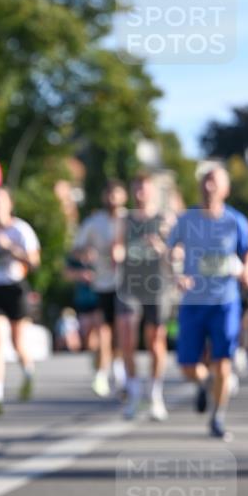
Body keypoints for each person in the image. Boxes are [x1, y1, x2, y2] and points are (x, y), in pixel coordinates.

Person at [167, 162, 248, 439]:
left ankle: (218, 418)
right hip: (193, 301)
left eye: (214, 181)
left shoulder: (235, 221)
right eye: (204, 181)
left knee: (223, 361)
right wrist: (177, 274)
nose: (208, 187)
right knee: (186, 366)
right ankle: (206, 383)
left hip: (224, 301)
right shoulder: (186, 220)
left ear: (226, 189)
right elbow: (170, 252)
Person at [113, 172, 173, 421]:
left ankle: (155, 393)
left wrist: (161, 248)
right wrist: (118, 253)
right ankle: (134, 392)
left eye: (144, 188)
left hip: (157, 286)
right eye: (136, 188)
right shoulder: (124, 219)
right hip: (130, 285)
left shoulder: (164, 219)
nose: (140, 193)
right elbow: (115, 247)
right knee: (126, 335)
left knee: (156, 340)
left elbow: (177, 253)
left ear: (152, 191)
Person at [0, 186, 40, 414]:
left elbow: (34, 262)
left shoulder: (21, 230)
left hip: (14, 288)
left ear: (9, 205)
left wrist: (11, 249)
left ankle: (28, 372)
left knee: (18, 343)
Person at [71, 179, 128, 398]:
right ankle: (103, 373)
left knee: (122, 331)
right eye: (109, 194)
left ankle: (120, 374)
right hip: (102, 283)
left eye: (117, 193)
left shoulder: (130, 220)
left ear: (124, 196)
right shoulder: (94, 222)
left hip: (126, 284)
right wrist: (85, 254)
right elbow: (76, 250)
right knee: (104, 330)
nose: (113, 198)